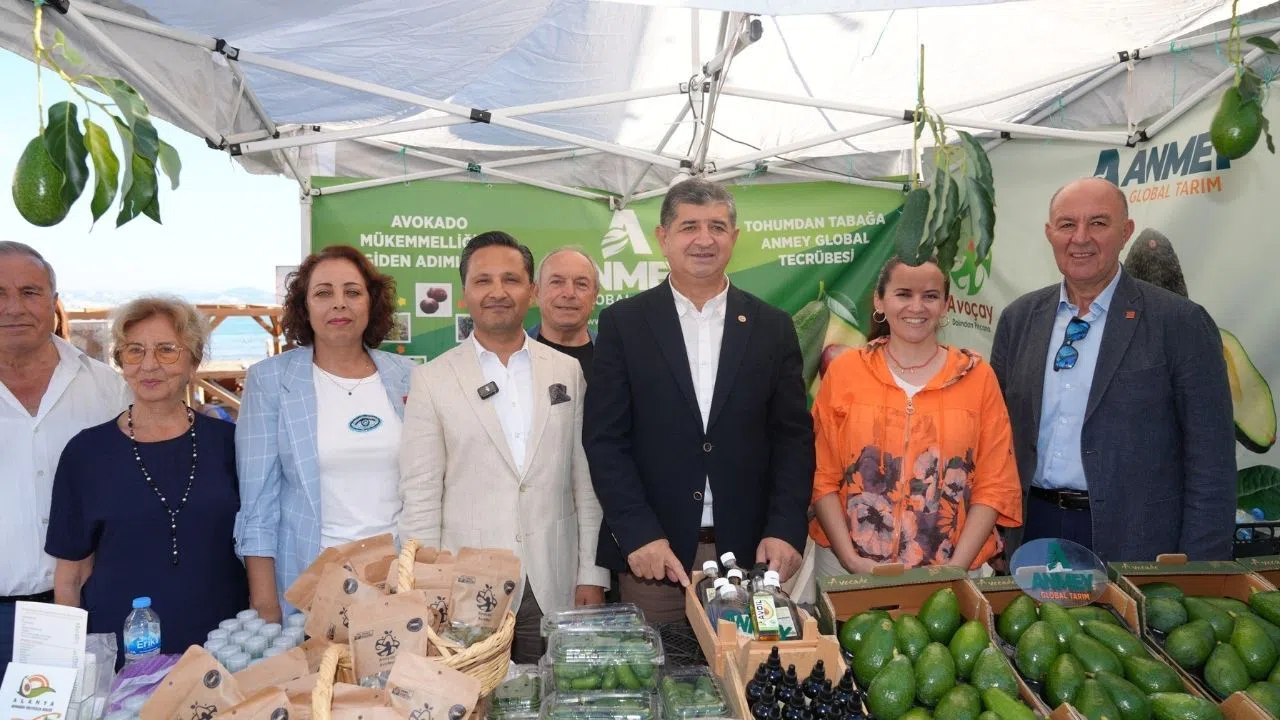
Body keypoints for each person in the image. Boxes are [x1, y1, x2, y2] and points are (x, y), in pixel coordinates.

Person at [583, 178, 815, 623]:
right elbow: (605, 441)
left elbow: (793, 440)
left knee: (752, 684)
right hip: (656, 559)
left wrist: (786, 530)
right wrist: (638, 535)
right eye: (689, 226)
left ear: (735, 238)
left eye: (717, 226)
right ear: (663, 238)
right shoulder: (624, 325)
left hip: (752, 559)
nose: (704, 239)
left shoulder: (772, 327)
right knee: (660, 683)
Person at [990, 177, 1236, 561]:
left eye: (1099, 223)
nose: (1081, 238)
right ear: (1049, 233)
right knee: (1033, 625)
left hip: (1138, 539)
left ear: (1126, 232)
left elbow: (1212, 463)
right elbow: (997, 441)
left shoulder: (1180, 323)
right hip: (1030, 530)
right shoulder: (1019, 319)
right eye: (1067, 224)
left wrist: (1199, 570)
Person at [399, 231, 609, 663]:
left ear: (531, 291)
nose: (497, 292)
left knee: (549, 699)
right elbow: (420, 495)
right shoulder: (433, 380)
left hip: (554, 579)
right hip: (466, 590)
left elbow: (586, 484)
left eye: (511, 280)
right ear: (464, 295)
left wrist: (592, 573)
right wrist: (425, 588)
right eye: (483, 281)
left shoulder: (567, 372)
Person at [46, 297, 248, 663]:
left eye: (167, 350)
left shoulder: (230, 443)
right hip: (123, 655)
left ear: (194, 360)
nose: (149, 365)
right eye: (134, 351)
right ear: (121, 361)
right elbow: (70, 577)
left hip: (225, 650)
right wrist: (68, 663)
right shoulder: (86, 453)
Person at [809, 257, 1022, 578]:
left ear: (947, 304)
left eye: (930, 296)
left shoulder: (977, 378)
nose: (917, 306)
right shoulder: (844, 372)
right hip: (847, 570)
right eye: (904, 294)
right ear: (880, 300)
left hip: (953, 574)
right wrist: (851, 561)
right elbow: (820, 475)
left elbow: (994, 485)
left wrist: (954, 569)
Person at [236, 245, 415, 621]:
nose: (339, 304)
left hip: (398, 583)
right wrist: (266, 606)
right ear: (304, 307)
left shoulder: (408, 375)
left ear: (372, 303)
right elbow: (257, 506)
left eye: (352, 292)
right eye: (323, 293)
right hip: (311, 588)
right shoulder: (271, 381)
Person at [0, 242, 128, 678]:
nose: (14, 307)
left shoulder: (108, 389)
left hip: (90, 606)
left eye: (30, 292)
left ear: (54, 303)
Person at [528, 247, 599, 378]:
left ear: (594, 297)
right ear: (536, 293)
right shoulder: (512, 353)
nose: (569, 293)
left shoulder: (615, 355)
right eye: (556, 282)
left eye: (581, 284)